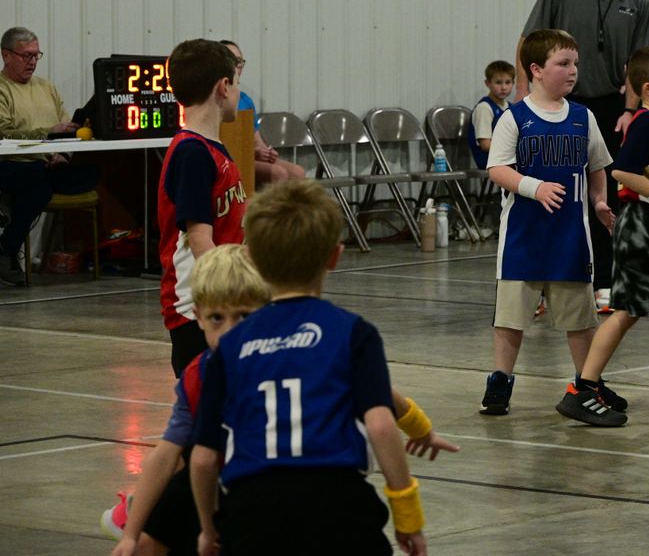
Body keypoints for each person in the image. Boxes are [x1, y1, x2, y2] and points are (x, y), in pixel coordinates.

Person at [191, 180, 430, 556]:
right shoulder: (354, 333)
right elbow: (381, 426)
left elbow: (203, 458)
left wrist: (208, 529)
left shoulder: (230, 347)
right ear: (335, 256)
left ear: (252, 259)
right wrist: (408, 516)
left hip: (254, 508)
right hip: (337, 503)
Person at [556, 46, 649, 427]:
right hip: (640, 225)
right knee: (632, 310)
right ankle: (583, 389)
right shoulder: (645, 123)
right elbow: (622, 172)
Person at [519, 0, 649, 311]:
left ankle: (603, 281)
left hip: (609, 107)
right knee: (547, 192)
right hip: (556, 104)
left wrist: (630, 110)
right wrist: (525, 101)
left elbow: (638, 62)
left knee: (604, 196)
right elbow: (529, 42)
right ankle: (537, 286)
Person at [480, 29, 616, 416]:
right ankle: (501, 381)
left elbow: (597, 166)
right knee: (511, 318)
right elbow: (497, 169)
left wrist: (599, 201)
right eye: (563, 63)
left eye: (575, 64)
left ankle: (587, 383)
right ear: (537, 69)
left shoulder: (583, 117)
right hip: (523, 238)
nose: (573, 71)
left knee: (580, 319)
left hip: (571, 238)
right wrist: (534, 187)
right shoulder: (514, 118)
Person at [103, 244, 272, 555]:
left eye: (244, 317)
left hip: (266, 486)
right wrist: (131, 535)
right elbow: (166, 454)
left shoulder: (281, 364)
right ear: (198, 317)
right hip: (211, 480)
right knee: (142, 546)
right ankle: (134, 519)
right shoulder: (197, 375)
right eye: (217, 318)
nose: (229, 331)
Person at [158, 39, 248, 377]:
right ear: (223, 87)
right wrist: (236, 290)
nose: (239, 91)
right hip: (199, 313)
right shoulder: (192, 153)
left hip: (220, 306)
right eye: (236, 83)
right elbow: (199, 239)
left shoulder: (211, 147)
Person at [0, 26, 99, 285]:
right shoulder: (2, 89)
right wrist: (47, 134)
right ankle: (7, 251)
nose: (32, 61)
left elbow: (65, 126)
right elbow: (4, 133)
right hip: (13, 164)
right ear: (6, 55)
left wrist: (61, 152)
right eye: (26, 55)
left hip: (45, 165)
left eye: (36, 55)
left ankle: (6, 247)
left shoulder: (47, 88)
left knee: (90, 174)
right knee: (37, 184)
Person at [220, 40, 306, 186]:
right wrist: (252, 153)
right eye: (232, 60)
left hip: (248, 155)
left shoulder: (245, 100)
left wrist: (267, 152)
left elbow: (256, 139)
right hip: (229, 158)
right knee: (278, 173)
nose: (237, 66)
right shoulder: (217, 99)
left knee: (298, 172)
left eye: (239, 61)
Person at [468, 60, 515, 169]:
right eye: (498, 82)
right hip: (489, 162)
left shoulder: (511, 107)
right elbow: (485, 144)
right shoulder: (484, 108)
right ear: (487, 83)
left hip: (507, 159)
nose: (503, 87)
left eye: (508, 82)